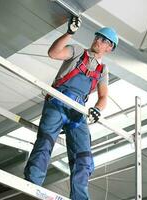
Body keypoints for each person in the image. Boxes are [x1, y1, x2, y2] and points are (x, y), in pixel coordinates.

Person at [24, 15, 118, 200]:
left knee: (83, 158)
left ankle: (80, 197)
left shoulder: (102, 70)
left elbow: (103, 96)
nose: (98, 41)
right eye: (97, 37)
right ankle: (33, 184)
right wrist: (69, 33)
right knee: (45, 141)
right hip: (58, 103)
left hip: (78, 111)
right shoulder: (77, 51)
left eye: (103, 40)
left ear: (110, 48)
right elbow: (54, 53)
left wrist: (97, 109)